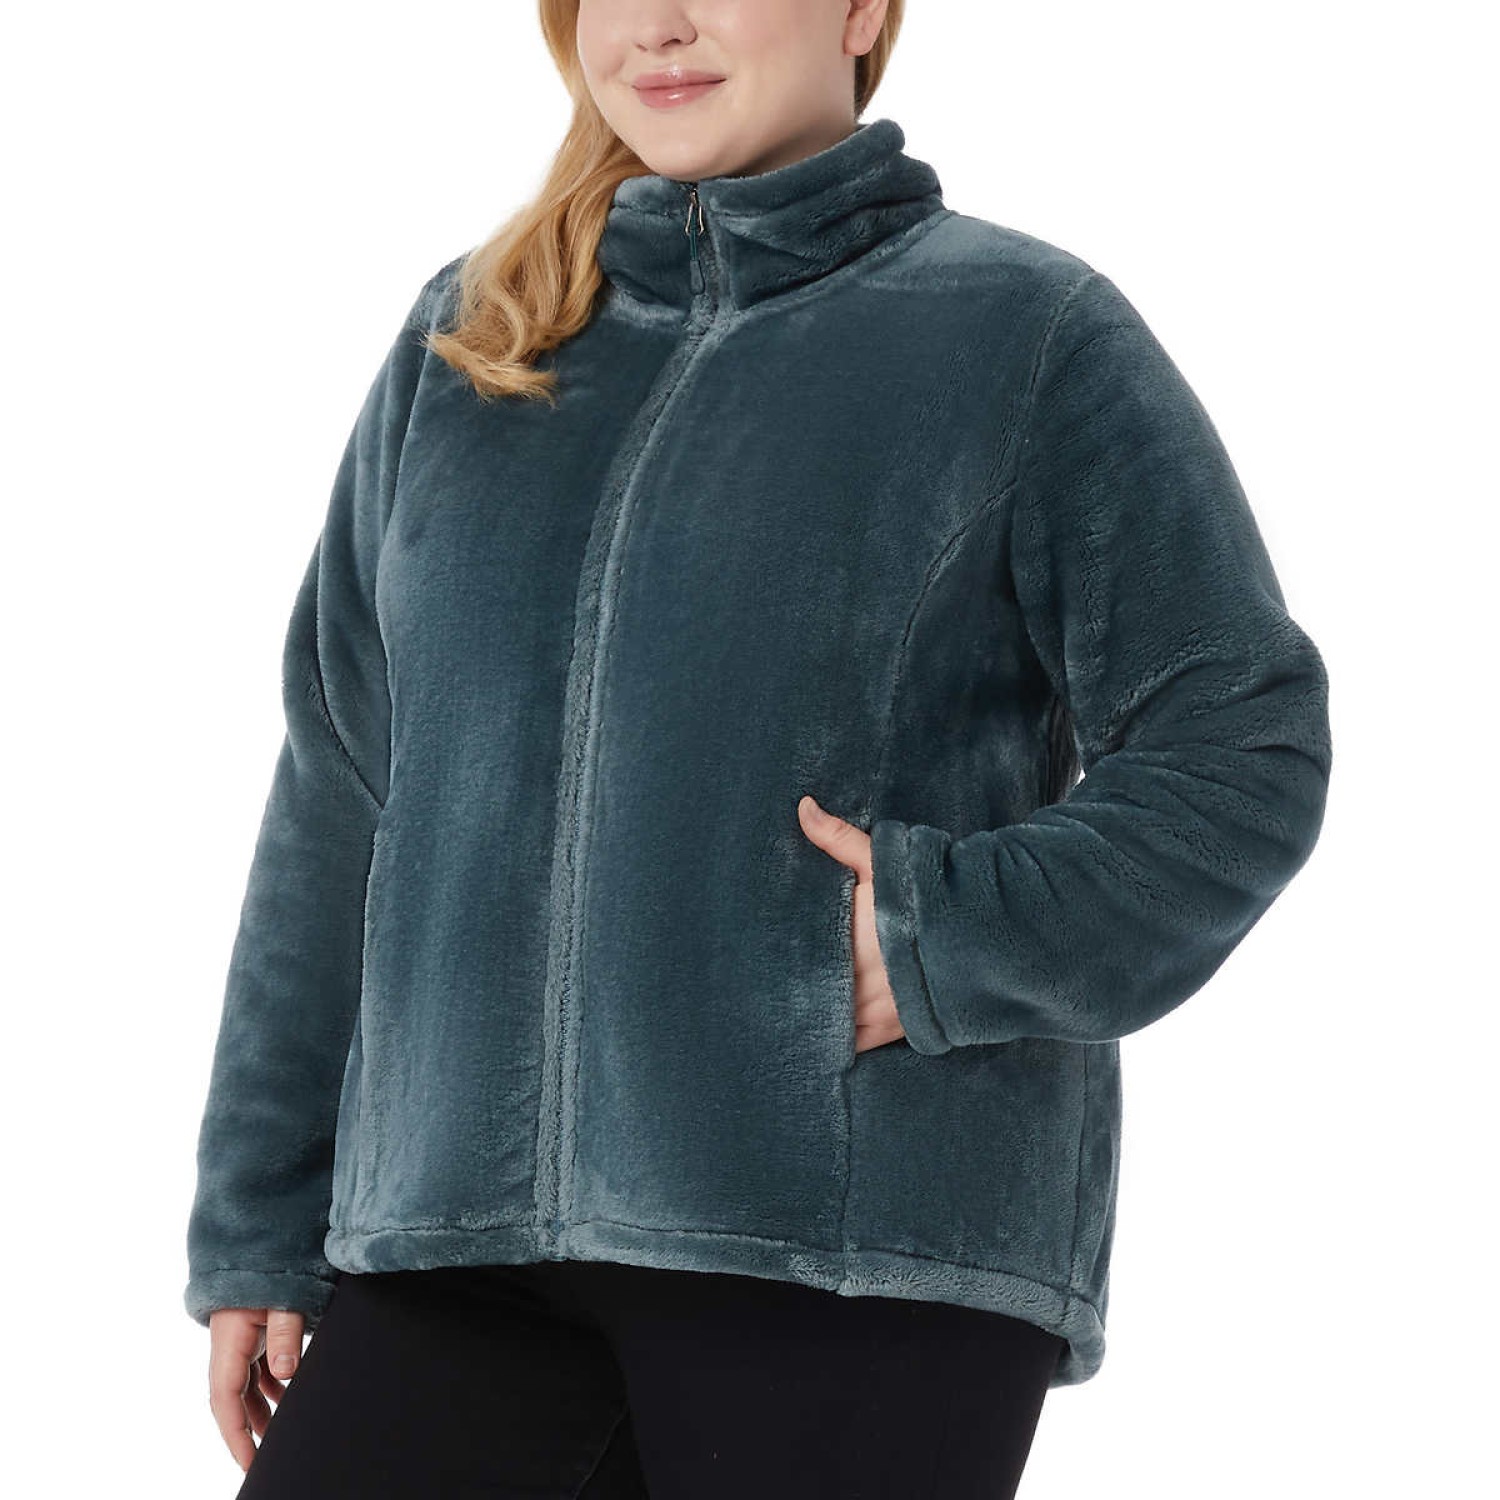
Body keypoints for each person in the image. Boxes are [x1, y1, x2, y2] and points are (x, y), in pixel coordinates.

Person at [183, 1, 1333, 1495]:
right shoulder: (473, 338)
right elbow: (343, 785)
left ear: (862, 9)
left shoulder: (1025, 334)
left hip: (849, 1243)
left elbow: (1239, 741)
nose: (656, 25)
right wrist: (264, 1219)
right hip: (449, 1237)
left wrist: (936, 936)